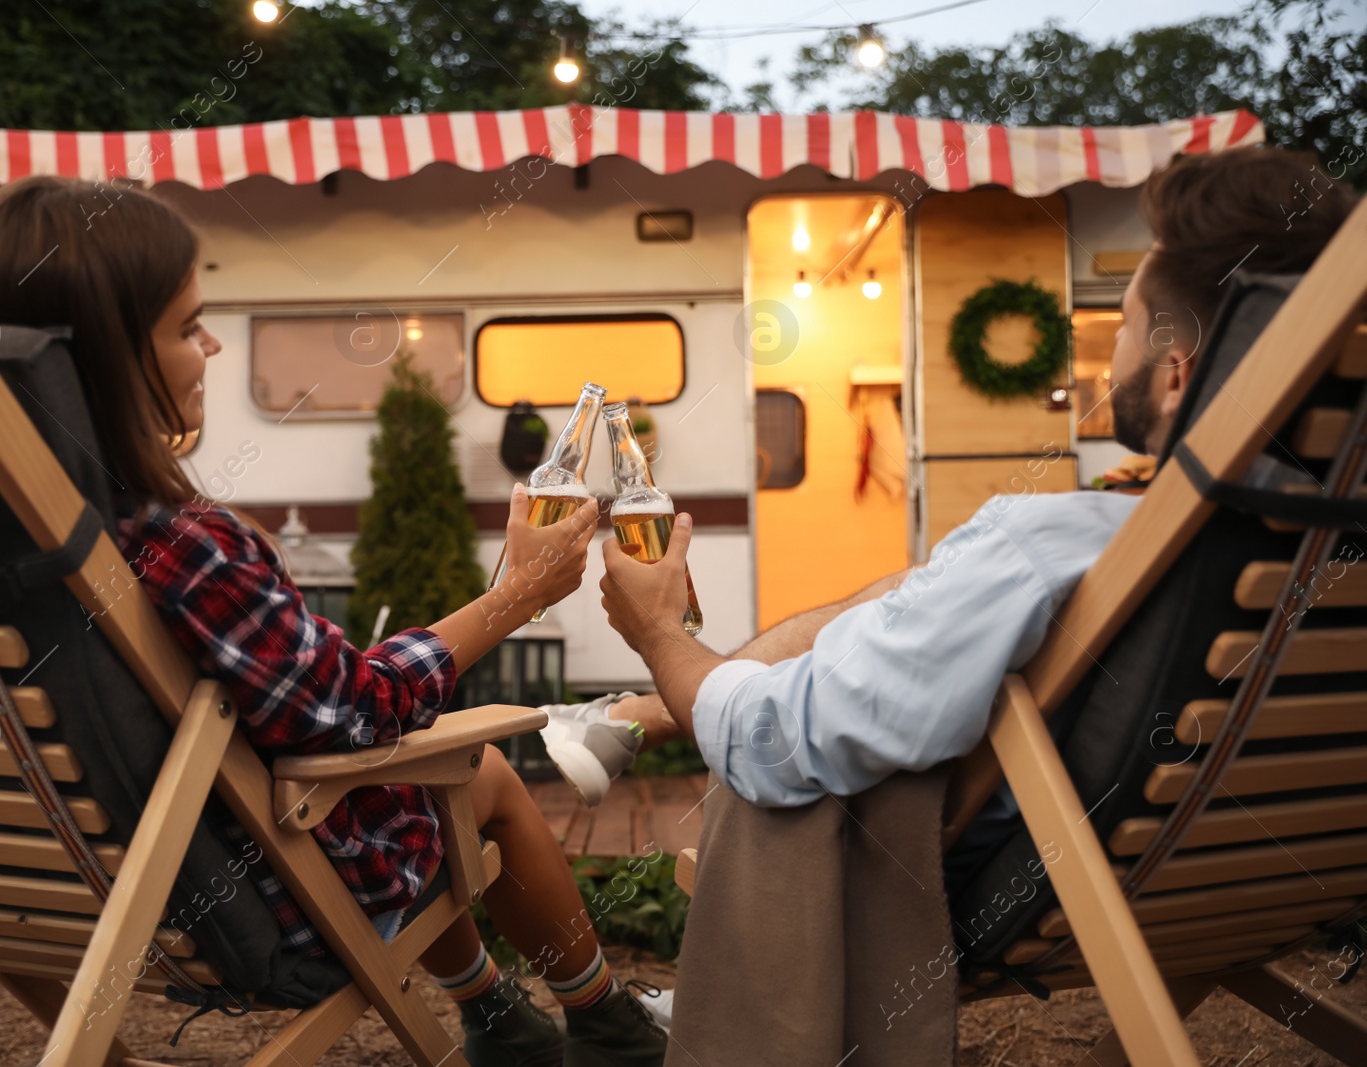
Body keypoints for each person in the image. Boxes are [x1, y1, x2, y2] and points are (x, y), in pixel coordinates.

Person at [0, 175, 669, 1067]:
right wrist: (516, 594)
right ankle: (603, 1022)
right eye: (184, 326)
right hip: (254, 910)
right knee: (470, 770)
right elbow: (354, 708)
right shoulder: (178, 546)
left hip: (29, 888)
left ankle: (495, 1016)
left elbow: (308, 701)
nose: (210, 344)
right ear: (102, 358)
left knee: (411, 775)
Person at [547, 146, 1357, 813]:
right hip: (1217, 851)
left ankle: (749, 997)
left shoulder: (1051, 543)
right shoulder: (1315, 546)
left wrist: (659, 635)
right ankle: (634, 719)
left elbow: (775, 744)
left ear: (1175, 374)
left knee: (780, 776)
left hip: (1001, 860)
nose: (1108, 359)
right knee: (914, 585)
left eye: (1121, 326)